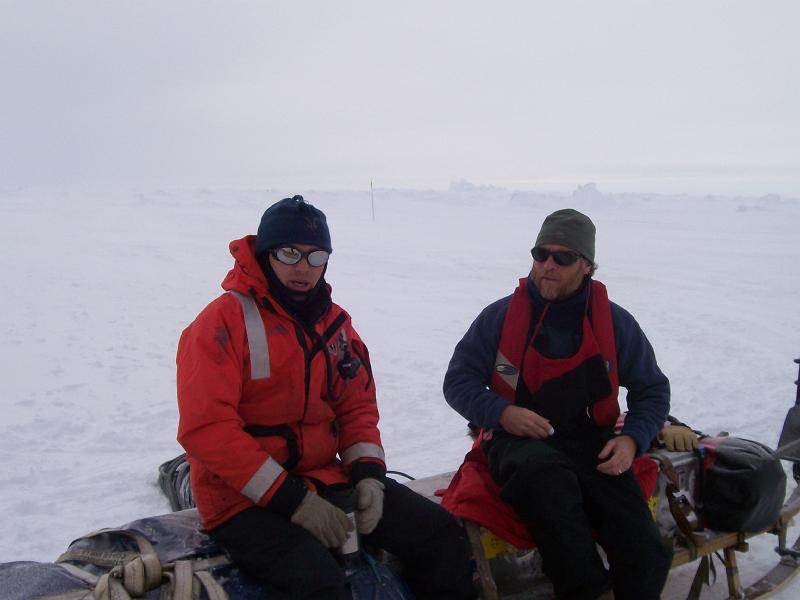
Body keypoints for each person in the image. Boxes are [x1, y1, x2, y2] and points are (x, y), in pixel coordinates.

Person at [177, 195, 475, 600]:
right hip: (240, 499)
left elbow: (356, 408)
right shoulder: (220, 324)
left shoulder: (336, 327)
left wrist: (369, 477)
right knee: (319, 581)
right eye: (290, 254)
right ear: (265, 254)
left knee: (439, 535)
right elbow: (207, 430)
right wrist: (293, 501)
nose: (304, 268)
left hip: (323, 479)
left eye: (316, 257)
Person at [442, 208, 673, 600]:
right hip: (517, 445)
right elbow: (458, 381)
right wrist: (501, 412)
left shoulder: (614, 323)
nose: (548, 265)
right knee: (548, 485)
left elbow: (652, 389)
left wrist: (633, 440)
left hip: (592, 443)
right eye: (540, 254)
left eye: (562, 257)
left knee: (645, 547)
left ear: (586, 266)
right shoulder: (500, 318)